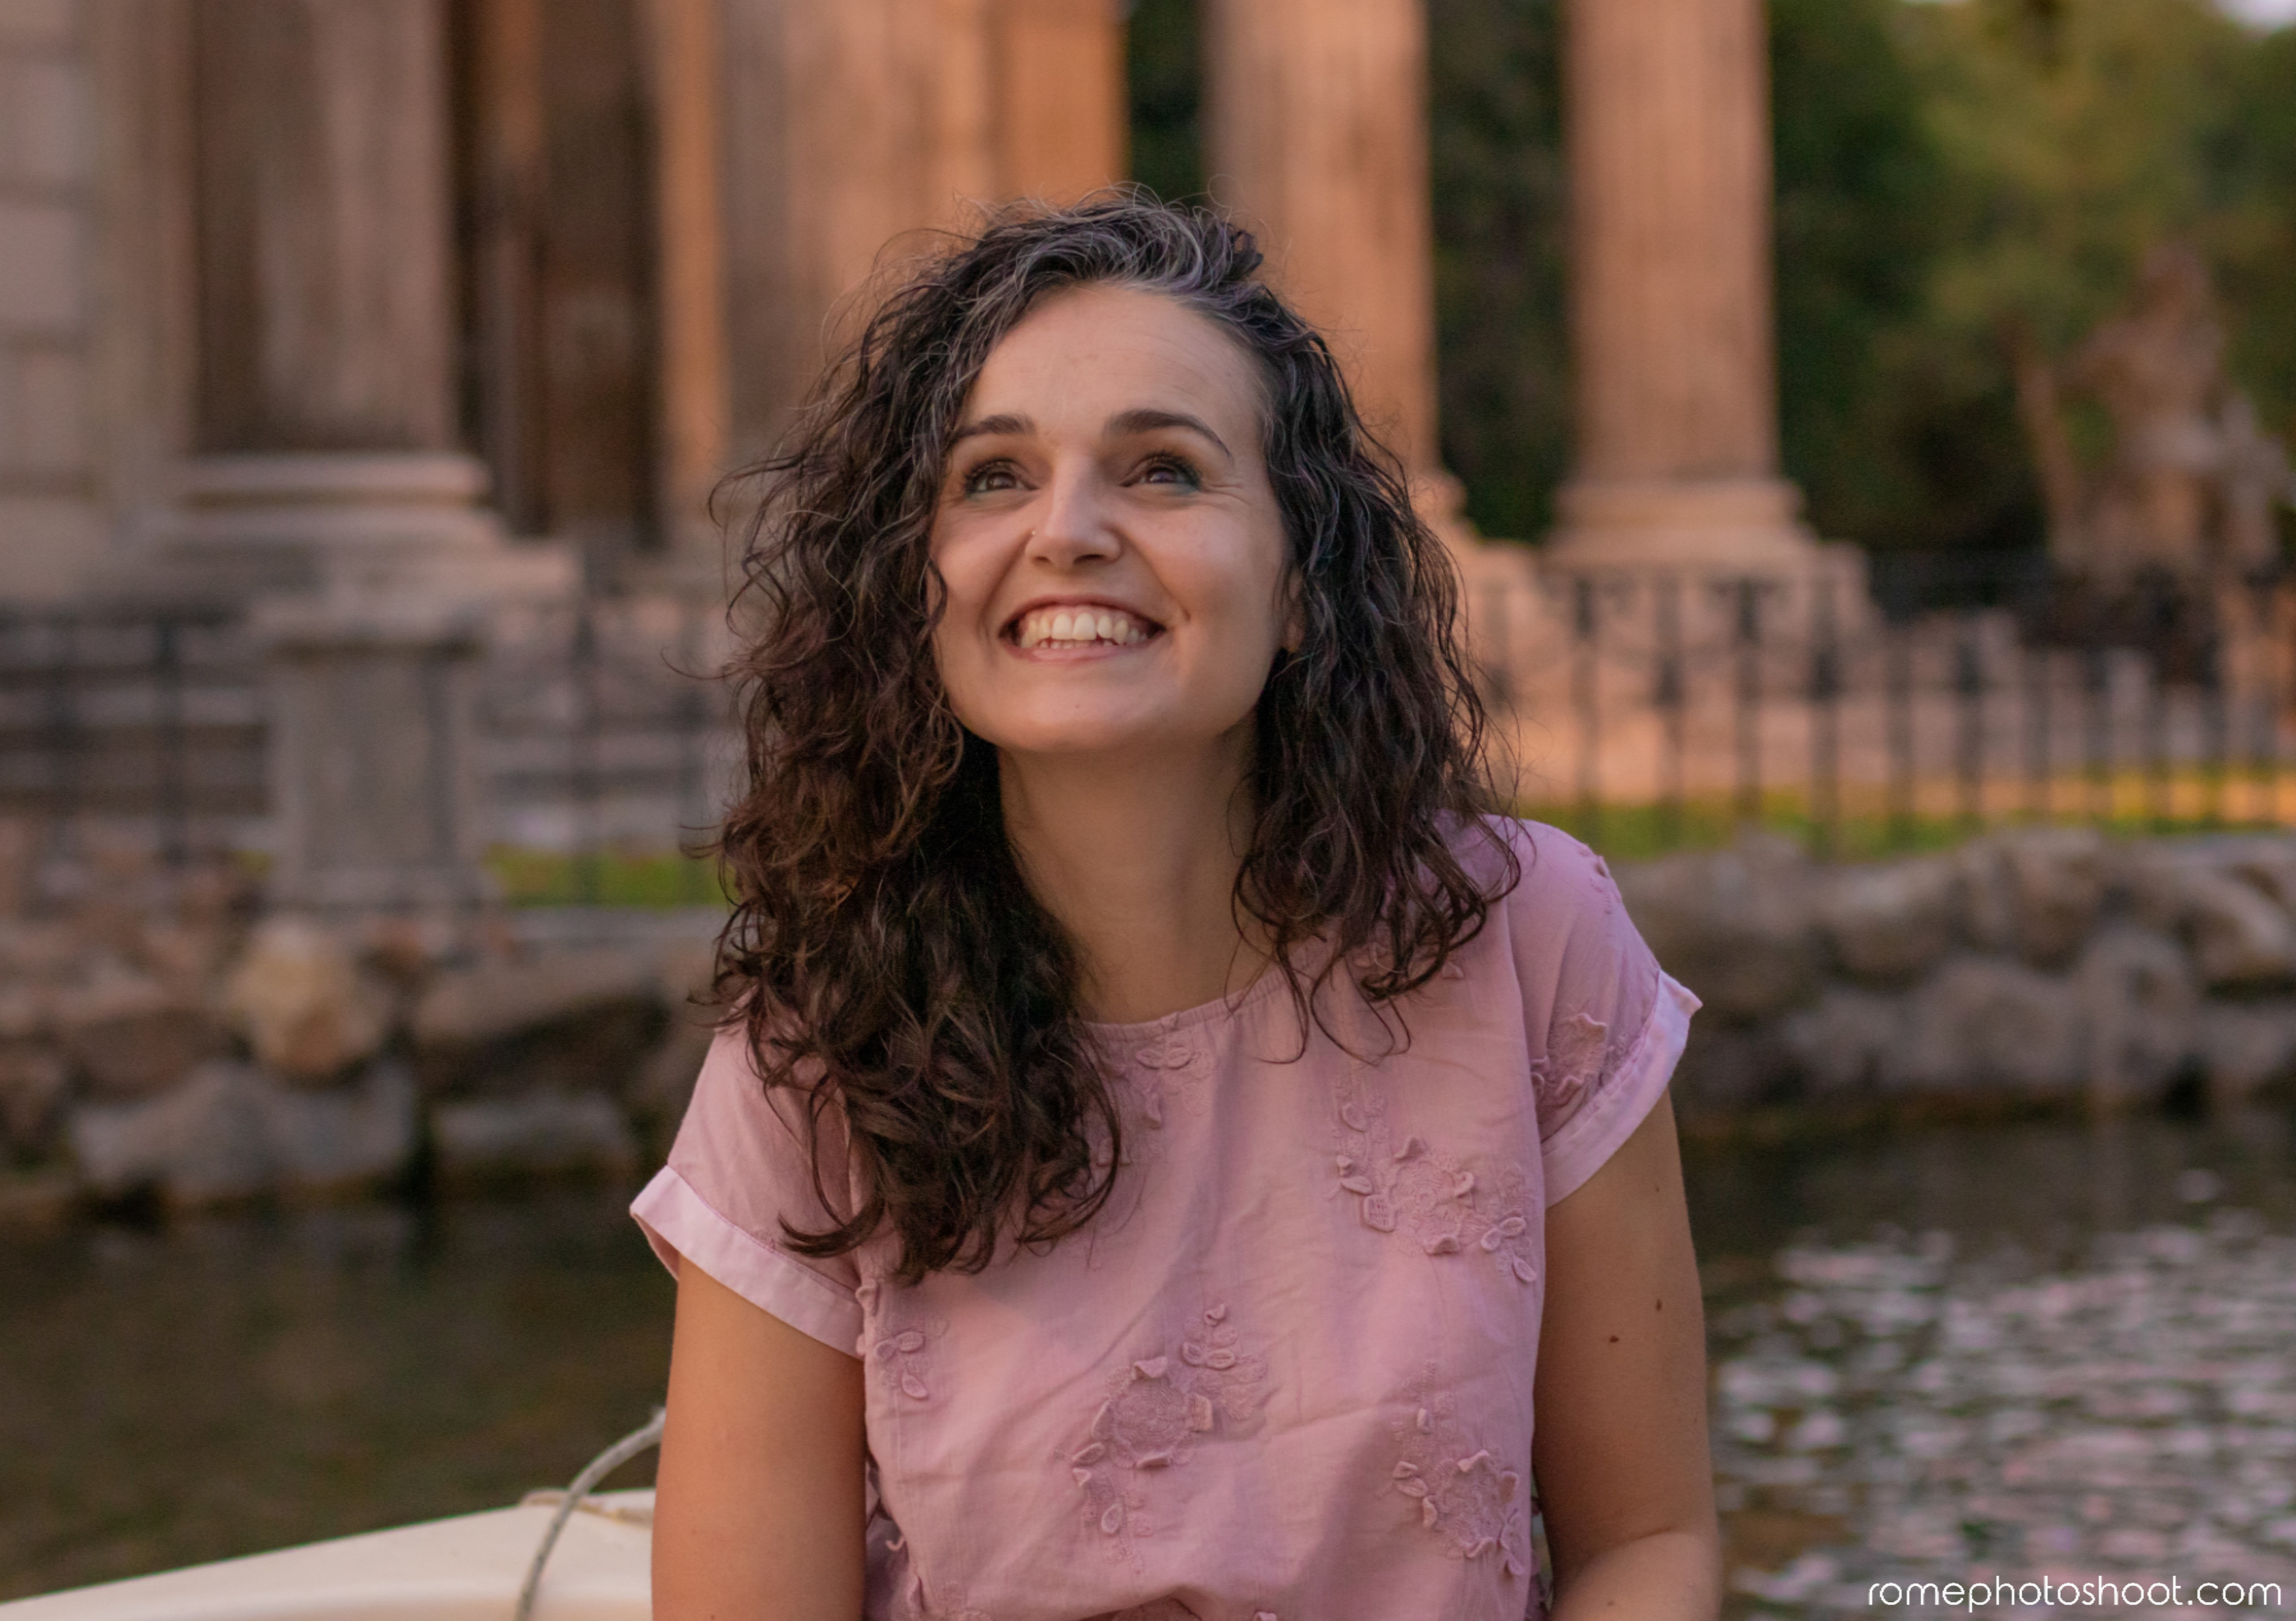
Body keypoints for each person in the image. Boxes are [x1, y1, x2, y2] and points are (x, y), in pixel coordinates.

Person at [632, 198, 1718, 1621]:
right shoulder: (811, 1055)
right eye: (993, 477)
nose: (1068, 531)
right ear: (914, 586)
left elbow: (1647, 1541)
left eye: (1163, 469)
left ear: (1300, 586)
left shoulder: (1527, 936)